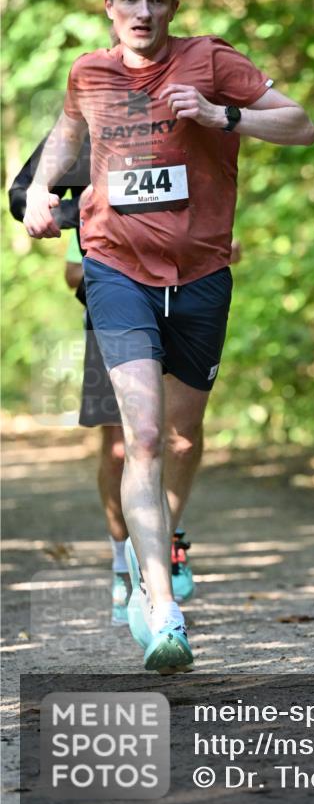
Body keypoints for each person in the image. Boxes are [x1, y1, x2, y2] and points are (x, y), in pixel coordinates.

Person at [23, 0, 314, 673]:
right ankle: (160, 606)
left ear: (174, 6)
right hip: (114, 269)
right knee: (139, 437)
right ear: (109, 6)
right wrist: (36, 190)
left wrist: (223, 118)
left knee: (182, 438)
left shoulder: (212, 62)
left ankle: (163, 541)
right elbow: (68, 130)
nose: (143, 11)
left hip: (201, 275)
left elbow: (300, 124)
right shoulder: (88, 72)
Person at [9, 130, 197, 624]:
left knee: (178, 441)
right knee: (120, 449)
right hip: (110, 309)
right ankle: (122, 559)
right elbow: (21, 195)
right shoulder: (85, 134)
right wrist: (84, 214)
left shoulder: (180, 123)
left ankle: (158, 553)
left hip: (180, 304)